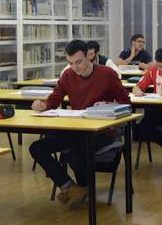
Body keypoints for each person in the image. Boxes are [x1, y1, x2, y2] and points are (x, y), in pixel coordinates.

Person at [29, 40, 130, 208]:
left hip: (102, 131)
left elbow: (125, 102)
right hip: (77, 128)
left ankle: (84, 188)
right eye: (70, 63)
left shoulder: (107, 74)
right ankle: (70, 187)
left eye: (79, 62)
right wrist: (43, 105)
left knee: (75, 152)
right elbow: (54, 99)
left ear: (89, 56)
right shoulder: (68, 75)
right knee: (37, 148)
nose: (75, 67)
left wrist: (108, 106)